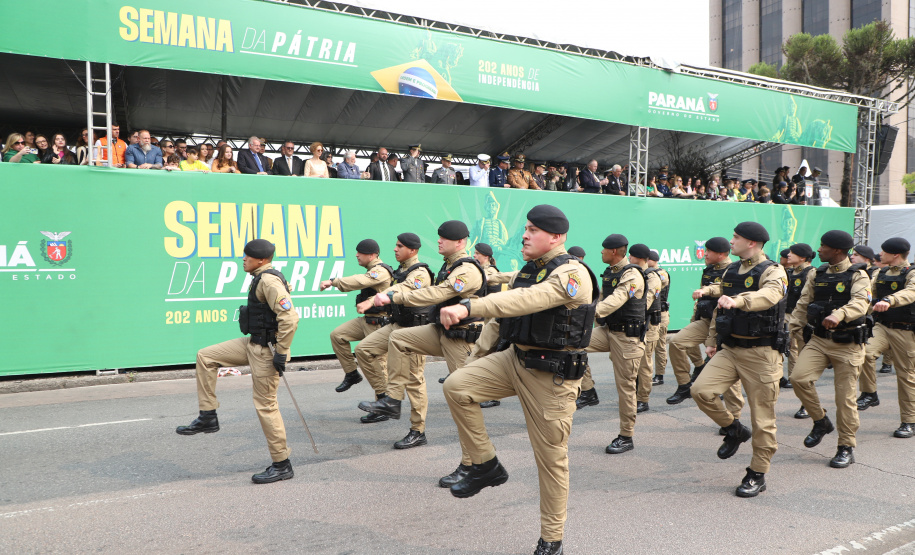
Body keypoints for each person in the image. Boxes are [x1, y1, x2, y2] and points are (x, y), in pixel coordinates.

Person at [437, 205, 596, 555]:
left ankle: (551, 540)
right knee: (457, 386)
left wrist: (469, 307)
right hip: (515, 359)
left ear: (556, 237)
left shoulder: (573, 274)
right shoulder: (527, 270)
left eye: (533, 230)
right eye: (525, 228)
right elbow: (500, 322)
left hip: (551, 375)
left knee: (551, 460)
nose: (524, 235)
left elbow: (528, 300)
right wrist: (477, 360)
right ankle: (486, 465)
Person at [175, 239, 298, 484]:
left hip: (267, 351)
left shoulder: (269, 281)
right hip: (252, 344)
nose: (243, 259)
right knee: (205, 356)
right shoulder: (261, 277)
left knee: (266, 405)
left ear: (261, 260)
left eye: (247, 256)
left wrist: (282, 352)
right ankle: (208, 416)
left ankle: (282, 464)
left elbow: (290, 318)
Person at [358, 220, 486, 449]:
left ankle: (477, 459)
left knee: (461, 397)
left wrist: (393, 297)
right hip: (439, 330)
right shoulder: (450, 266)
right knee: (398, 339)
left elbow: (437, 293)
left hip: (460, 337)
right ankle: (393, 400)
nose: (438, 240)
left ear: (459, 242)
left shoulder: (466, 270)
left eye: (444, 238)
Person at [691, 222, 787, 498]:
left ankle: (757, 472)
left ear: (752, 243)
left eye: (736, 238)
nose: (731, 241)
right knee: (701, 391)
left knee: (763, 420)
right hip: (730, 349)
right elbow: (720, 304)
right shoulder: (733, 269)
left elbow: (769, 295)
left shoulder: (773, 271)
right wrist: (711, 341)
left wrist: (740, 300)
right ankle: (733, 429)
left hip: (762, 354)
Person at [789, 231, 871, 468]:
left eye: (823, 246)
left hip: (848, 343)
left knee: (845, 399)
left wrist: (839, 313)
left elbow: (861, 303)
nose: (819, 249)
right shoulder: (817, 273)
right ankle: (821, 420)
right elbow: (803, 304)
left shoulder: (859, 276)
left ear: (836, 250)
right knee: (798, 378)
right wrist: (790, 331)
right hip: (819, 339)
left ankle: (846, 446)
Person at [352, 233, 433, 424]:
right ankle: (384, 398)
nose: (395, 249)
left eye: (400, 246)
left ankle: (417, 430)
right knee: (363, 350)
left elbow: (402, 289)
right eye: (395, 245)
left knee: (414, 380)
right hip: (397, 326)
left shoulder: (419, 273)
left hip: (415, 330)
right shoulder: (401, 269)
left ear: (412, 250)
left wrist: (371, 301)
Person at [577, 235, 646, 456]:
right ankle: (588, 391)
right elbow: (599, 298)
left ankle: (626, 436)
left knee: (625, 388)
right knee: (575, 343)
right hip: (608, 331)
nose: (601, 253)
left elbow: (617, 298)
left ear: (614, 251)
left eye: (604, 249)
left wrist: (591, 314)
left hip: (627, 338)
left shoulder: (632, 274)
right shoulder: (610, 272)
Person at [666, 237, 745, 411]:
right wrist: (695, 318)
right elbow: (702, 299)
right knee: (676, 342)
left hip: (725, 324)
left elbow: (720, 288)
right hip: (706, 320)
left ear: (721, 254)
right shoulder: (709, 270)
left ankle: (735, 419)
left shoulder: (734, 270)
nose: (704, 254)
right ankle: (685, 385)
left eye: (708, 251)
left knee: (728, 372)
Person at [319, 239, 394, 394]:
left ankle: (383, 401)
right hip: (367, 320)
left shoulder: (380, 271)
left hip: (379, 323)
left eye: (361, 252)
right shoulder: (371, 269)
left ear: (372, 255)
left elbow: (359, 281)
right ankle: (352, 374)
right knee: (338, 335)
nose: (357, 255)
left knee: (378, 363)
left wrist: (333, 281)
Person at [861, 238, 915, 438]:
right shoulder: (880, 273)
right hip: (882, 326)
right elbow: (868, 298)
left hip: (905, 330)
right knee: (864, 354)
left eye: (883, 252)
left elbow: (911, 292)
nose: (879, 255)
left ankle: (909, 421)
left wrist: (890, 300)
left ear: (895, 255)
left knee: (906, 376)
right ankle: (869, 393)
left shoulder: (912, 273)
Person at [783, 243, 817, 418]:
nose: (788, 255)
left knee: (805, 360)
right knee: (791, 353)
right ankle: (792, 382)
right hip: (787, 317)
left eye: (792, 253)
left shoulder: (812, 273)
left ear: (803, 257)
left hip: (803, 321)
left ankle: (806, 404)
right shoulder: (789, 272)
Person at [632, 244, 663, 412]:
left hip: (649, 325)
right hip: (636, 324)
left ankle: (643, 399)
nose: (629, 258)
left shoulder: (653, 277)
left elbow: (647, 301)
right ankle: (635, 395)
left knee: (644, 364)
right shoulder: (636, 274)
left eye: (632, 256)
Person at [648, 251, 671, 386]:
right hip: (652, 313)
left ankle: (659, 375)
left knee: (660, 345)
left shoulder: (661, 273)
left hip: (661, 314)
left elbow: (660, 283)